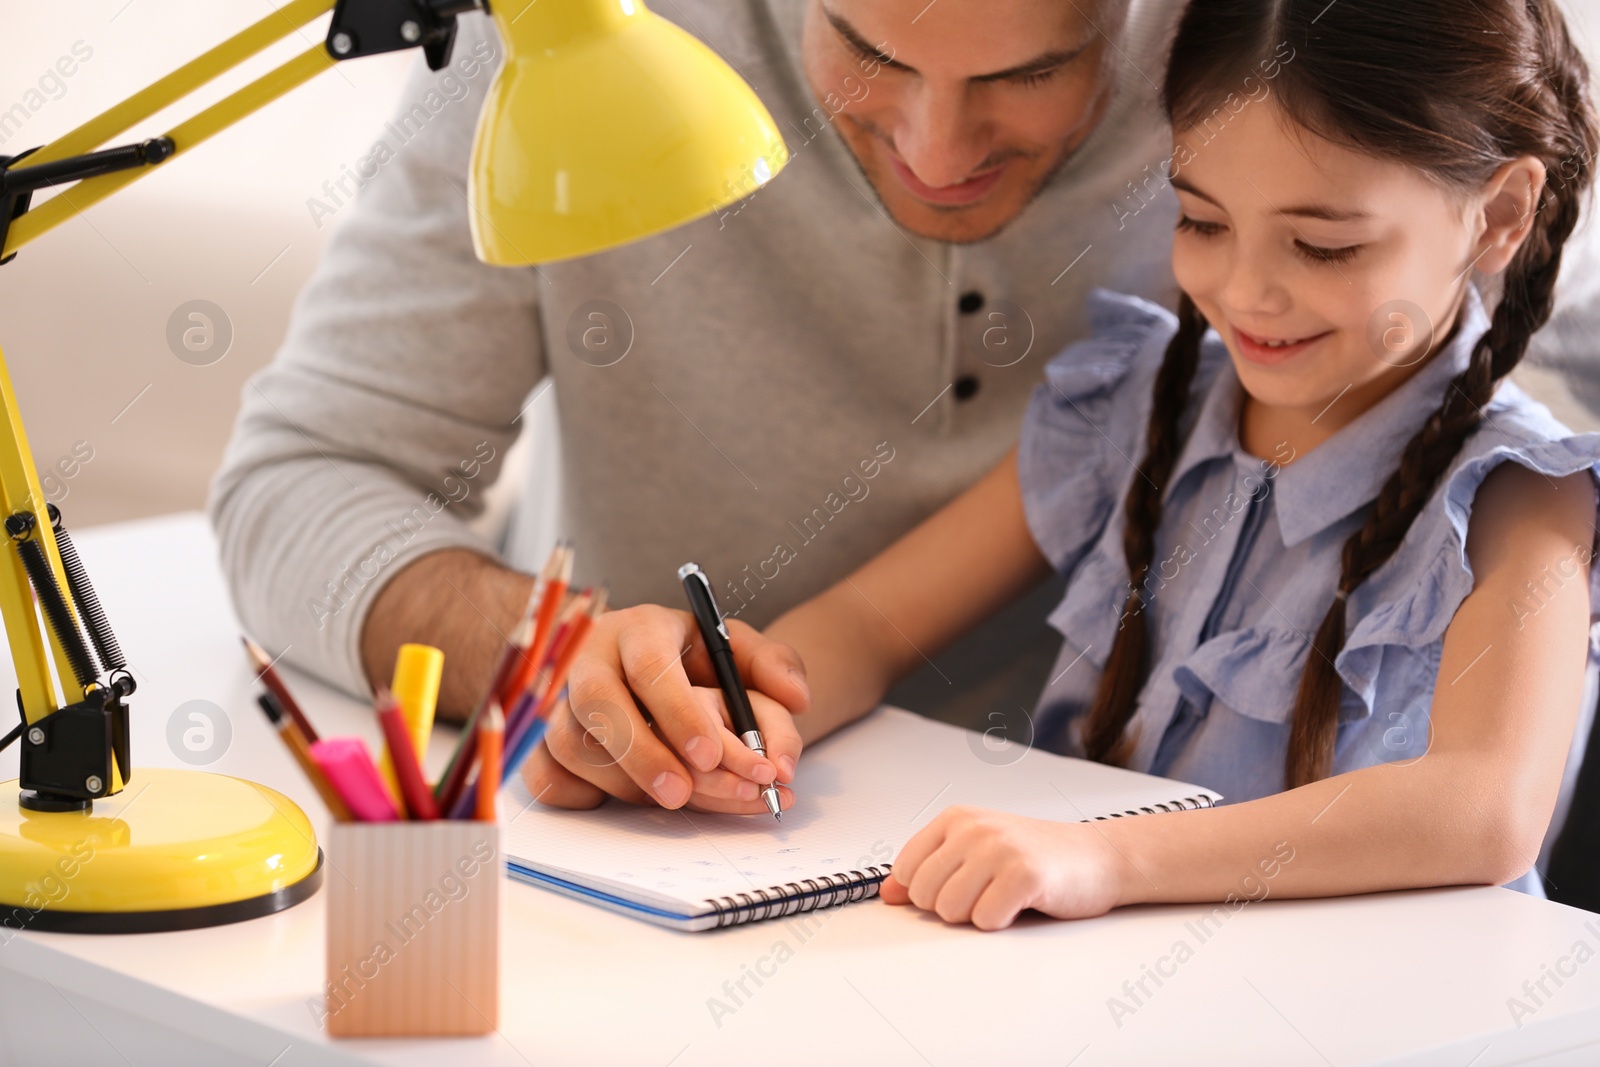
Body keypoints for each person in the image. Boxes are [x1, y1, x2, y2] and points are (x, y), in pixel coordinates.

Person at [547, 0, 1600, 930]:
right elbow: (872, 626)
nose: (1244, 292)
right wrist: (722, 719)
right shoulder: (1133, 403)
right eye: (1200, 221)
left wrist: (1107, 856)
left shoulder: (1522, 492)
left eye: (1323, 247)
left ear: (1501, 214)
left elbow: (1484, 808)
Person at [210, 0, 1193, 813]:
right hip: (646, 836)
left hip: (1084, 824)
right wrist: (563, 657)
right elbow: (301, 481)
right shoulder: (559, 32)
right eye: (865, 52)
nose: (935, 155)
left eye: (1028, 76)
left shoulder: (1258, 57)